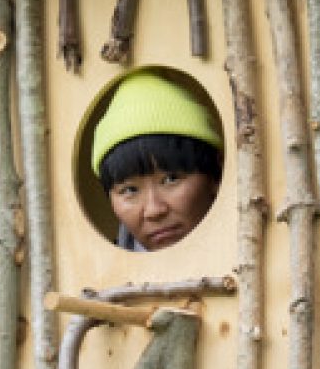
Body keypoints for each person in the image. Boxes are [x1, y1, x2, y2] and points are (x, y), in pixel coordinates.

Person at [91, 69, 223, 251]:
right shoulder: (102, 278)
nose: (154, 210)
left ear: (216, 174)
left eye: (171, 179)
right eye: (130, 190)